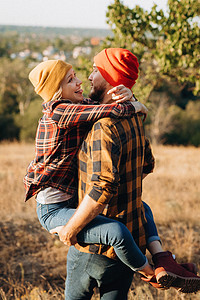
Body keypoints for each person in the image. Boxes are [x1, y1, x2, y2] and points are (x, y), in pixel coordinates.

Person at [56, 48, 200, 299]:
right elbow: (146, 165)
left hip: (95, 245)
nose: (89, 77)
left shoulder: (103, 126)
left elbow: (102, 187)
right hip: (130, 240)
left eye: (95, 70)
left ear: (110, 78)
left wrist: (71, 229)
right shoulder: (134, 116)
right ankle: (163, 260)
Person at [24, 59, 156, 278]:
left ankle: (162, 256)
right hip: (53, 208)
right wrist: (136, 105)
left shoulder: (78, 105)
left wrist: (132, 98)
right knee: (117, 232)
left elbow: (104, 107)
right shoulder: (58, 112)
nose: (79, 82)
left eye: (75, 75)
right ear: (57, 91)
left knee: (144, 208)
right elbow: (110, 111)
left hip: (71, 198)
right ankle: (151, 274)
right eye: (70, 80)